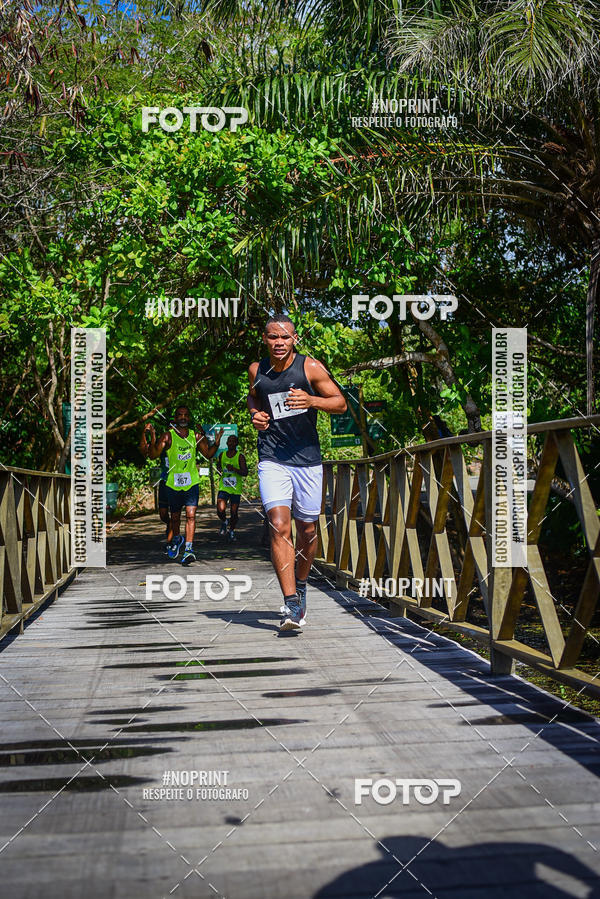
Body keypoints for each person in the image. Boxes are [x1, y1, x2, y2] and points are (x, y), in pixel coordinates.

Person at [248, 314, 346, 631]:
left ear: (295, 339)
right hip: (272, 457)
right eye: (273, 337)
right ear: (265, 338)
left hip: (307, 459)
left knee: (307, 531)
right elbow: (254, 398)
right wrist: (255, 416)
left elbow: (341, 403)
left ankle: (301, 583)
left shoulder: (310, 368)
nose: (279, 343)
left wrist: (312, 400)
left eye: (285, 337)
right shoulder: (256, 370)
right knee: (279, 525)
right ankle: (291, 604)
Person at [149, 406, 223, 566]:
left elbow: (208, 454)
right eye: (179, 415)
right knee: (174, 518)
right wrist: (153, 438)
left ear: (189, 418)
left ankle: (189, 549)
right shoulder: (168, 436)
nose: (183, 417)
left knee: (191, 515)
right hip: (172, 484)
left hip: (192, 483)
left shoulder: (195, 436)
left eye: (185, 415)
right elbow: (153, 455)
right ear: (175, 418)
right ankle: (177, 539)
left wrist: (216, 443)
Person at [139, 422, 171, 550]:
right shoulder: (162, 443)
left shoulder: (186, 443)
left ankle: (170, 543)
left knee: (175, 514)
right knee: (163, 514)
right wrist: (147, 434)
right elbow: (146, 452)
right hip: (165, 482)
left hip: (178, 484)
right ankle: (170, 526)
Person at [216, 434, 248, 541]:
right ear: (227, 443)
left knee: (234, 512)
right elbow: (218, 465)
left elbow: (245, 472)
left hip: (235, 488)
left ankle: (232, 531)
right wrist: (219, 468)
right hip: (224, 487)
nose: (231, 443)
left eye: (233, 441)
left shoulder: (240, 457)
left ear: (237, 444)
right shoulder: (222, 455)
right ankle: (225, 522)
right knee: (220, 509)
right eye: (229, 441)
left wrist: (234, 469)